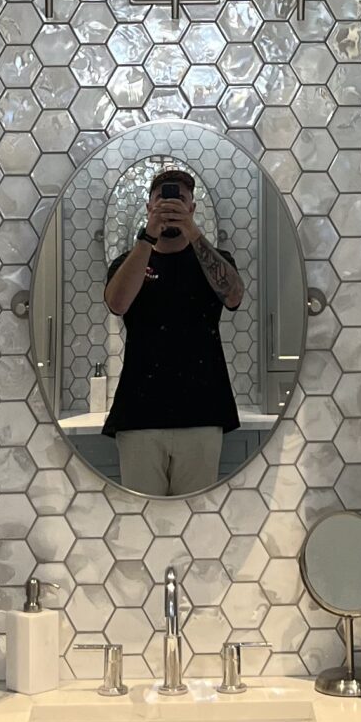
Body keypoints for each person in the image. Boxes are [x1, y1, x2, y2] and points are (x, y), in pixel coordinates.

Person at [101, 166, 244, 495]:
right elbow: (117, 304)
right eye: (162, 200)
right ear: (149, 207)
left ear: (192, 208)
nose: (171, 205)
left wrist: (192, 232)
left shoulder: (215, 259)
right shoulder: (128, 262)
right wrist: (147, 237)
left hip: (203, 412)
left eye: (180, 200)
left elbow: (234, 296)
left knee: (196, 516)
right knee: (141, 516)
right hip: (138, 415)